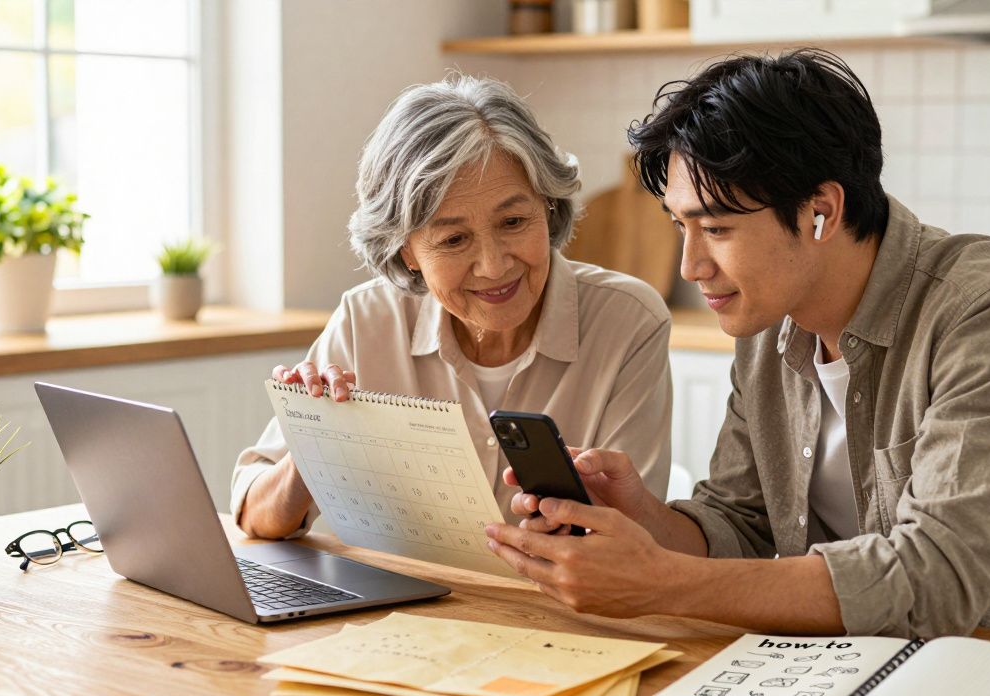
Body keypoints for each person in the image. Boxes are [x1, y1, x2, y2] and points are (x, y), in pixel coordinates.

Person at [484, 49, 990, 652]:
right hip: (878, 672)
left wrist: (665, 582)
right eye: (679, 227)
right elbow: (746, 526)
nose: (690, 266)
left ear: (822, 211)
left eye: (716, 228)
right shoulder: (768, 325)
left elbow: (936, 580)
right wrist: (650, 521)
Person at [232, 75, 672, 540]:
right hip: (399, 608)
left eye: (514, 221)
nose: (493, 265)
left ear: (549, 206)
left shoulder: (628, 321)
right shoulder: (367, 322)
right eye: (454, 239)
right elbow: (254, 518)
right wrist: (316, 441)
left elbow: (632, 548)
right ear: (406, 251)